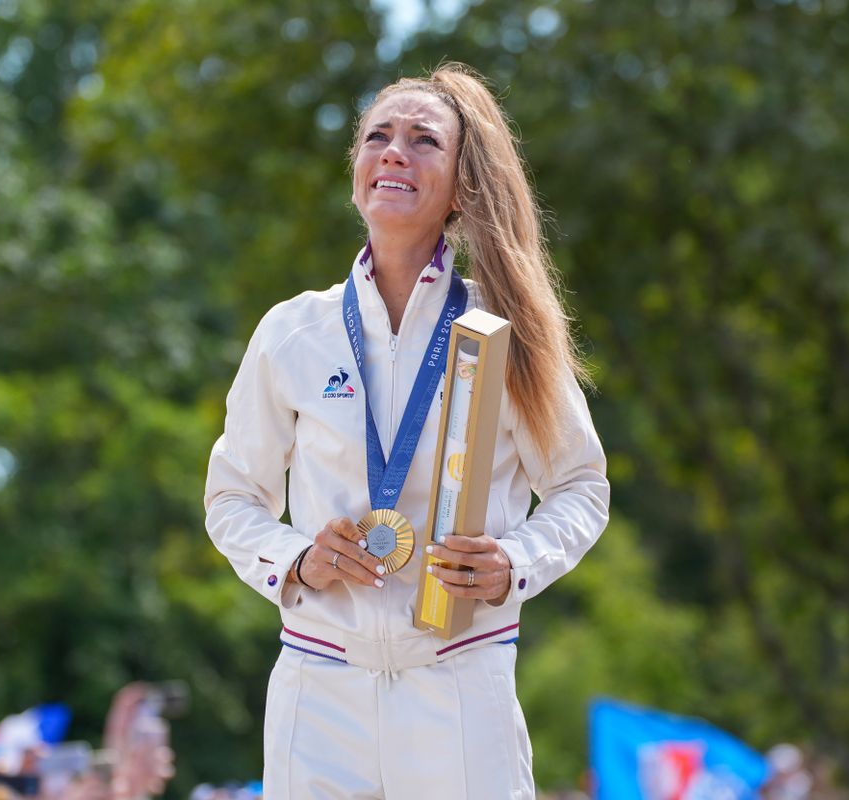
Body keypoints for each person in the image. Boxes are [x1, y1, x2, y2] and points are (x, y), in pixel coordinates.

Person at [204, 62, 610, 799]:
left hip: (459, 678)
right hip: (318, 682)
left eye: (424, 140)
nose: (394, 151)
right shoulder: (293, 331)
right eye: (377, 137)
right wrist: (296, 559)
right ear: (356, 170)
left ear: (461, 188)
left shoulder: (504, 329)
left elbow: (581, 486)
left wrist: (513, 563)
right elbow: (232, 498)